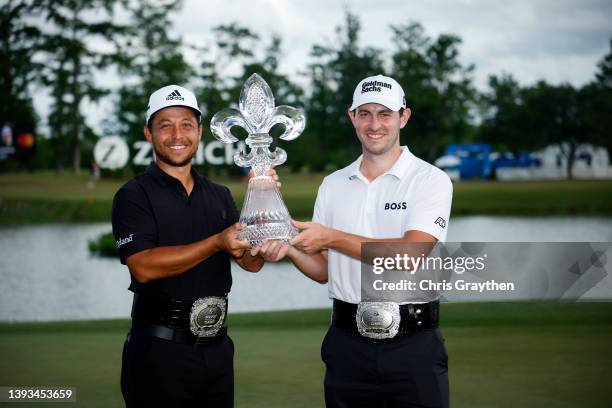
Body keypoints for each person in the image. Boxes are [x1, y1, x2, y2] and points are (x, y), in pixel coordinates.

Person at [256, 74, 453, 408]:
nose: (374, 124)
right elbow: (324, 270)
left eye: (384, 114)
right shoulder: (333, 184)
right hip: (347, 346)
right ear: (352, 118)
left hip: (413, 345)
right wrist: (290, 246)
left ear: (403, 117)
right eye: (365, 114)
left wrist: (332, 237)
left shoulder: (430, 180)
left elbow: (409, 255)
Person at [112, 84, 267, 407]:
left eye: (186, 124)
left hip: (217, 349)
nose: (176, 134)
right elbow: (143, 267)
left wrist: (261, 213)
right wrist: (216, 242)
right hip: (159, 350)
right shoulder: (134, 194)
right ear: (148, 134)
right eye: (165, 125)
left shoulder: (219, 195)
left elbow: (251, 263)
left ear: (199, 131)